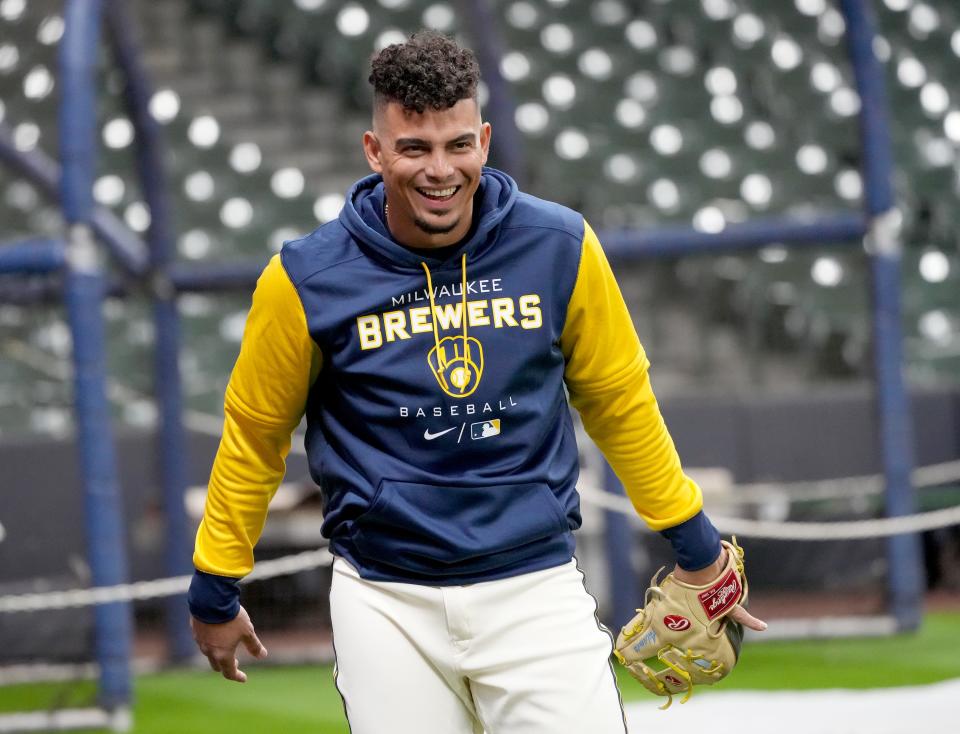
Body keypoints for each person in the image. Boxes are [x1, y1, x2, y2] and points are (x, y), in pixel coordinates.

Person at [188, 30, 765, 733]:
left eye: (458, 144)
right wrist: (215, 587)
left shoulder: (560, 246)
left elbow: (620, 403)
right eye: (415, 148)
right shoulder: (305, 280)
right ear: (375, 152)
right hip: (385, 601)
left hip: (535, 587)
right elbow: (255, 437)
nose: (440, 170)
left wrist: (698, 548)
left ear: (484, 141)